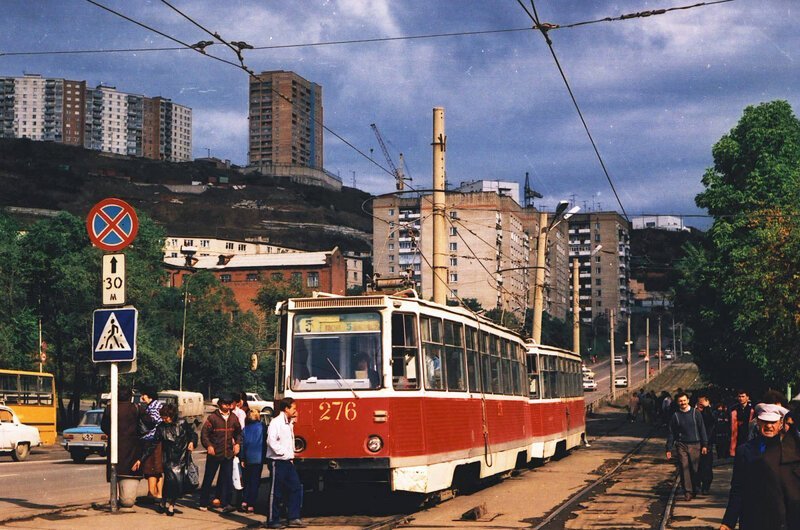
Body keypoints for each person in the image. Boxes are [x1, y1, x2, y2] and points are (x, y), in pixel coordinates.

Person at [720, 404, 800, 530]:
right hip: (751, 518)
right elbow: (737, 488)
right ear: (758, 422)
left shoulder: (791, 453)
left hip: (781, 521)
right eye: (765, 421)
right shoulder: (744, 451)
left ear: (780, 423)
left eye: (773, 422)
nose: (769, 426)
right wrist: (728, 522)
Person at [133, 403, 197, 516]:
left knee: (179, 484)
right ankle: (165, 503)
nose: (164, 419)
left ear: (172, 416)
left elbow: (192, 434)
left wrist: (192, 442)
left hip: (182, 458)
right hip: (169, 459)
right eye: (162, 417)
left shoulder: (182, 423)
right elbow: (152, 445)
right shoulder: (161, 427)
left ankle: (170, 504)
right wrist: (141, 459)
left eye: (166, 417)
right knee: (170, 482)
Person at [265, 398, 305, 529]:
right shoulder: (276, 422)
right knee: (275, 491)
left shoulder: (289, 423)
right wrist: (282, 453)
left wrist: (290, 456)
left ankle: (293, 517)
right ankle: (272, 520)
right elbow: (271, 441)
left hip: (287, 461)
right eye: (293, 408)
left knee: (296, 487)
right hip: (277, 461)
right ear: (286, 409)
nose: (295, 410)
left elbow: (289, 441)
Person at [199, 393, 242, 512]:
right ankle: (203, 502)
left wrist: (238, 443)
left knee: (227, 479)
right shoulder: (212, 418)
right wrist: (209, 446)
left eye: (229, 404)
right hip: (214, 453)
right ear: (220, 404)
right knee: (209, 478)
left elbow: (239, 433)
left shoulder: (234, 418)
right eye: (225, 404)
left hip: (228, 453)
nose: (227, 406)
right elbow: (204, 434)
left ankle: (225, 503)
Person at [100, 386, 142, 508]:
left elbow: (104, 426)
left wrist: (113, 434)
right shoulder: (136, 408)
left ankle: (114, 497)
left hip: (115, 446)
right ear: (131, 397)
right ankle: (125, 497)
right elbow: (147, 423)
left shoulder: (110, 409)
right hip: (132, 446)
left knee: (115, 470)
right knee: (128, 473)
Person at [666, 392, 708, 501]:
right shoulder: (675, 416)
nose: (682, 403)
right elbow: (671, 433)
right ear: (677, 402)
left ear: (688, 400)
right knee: (684, 467)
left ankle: (695, 487)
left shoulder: (696, 413)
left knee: (695, 468)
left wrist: (705, 444)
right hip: (681, 444)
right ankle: (687, 491)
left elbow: (702, 429)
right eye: (680, 401)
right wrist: (669, 448)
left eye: (684, 400)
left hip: (695, 444)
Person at [139, 387, 164, 505]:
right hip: (156, 439)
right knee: (157, 469)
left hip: (152, 439)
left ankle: (152, 493)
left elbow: (153, 420)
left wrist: (141, 417)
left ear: (149, 396)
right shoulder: (157, 405)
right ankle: (158, 493)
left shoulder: (154, 407)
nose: (142, 397)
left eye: (143, 395)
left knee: (151, 468)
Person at [241, 408, 265, 514]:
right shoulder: (262, 427)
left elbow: (242, 445)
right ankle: (251, 504)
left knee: (246, 481)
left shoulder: (245, 429)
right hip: (258, 457)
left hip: (247, 457)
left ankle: (244, 501)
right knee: (255, 482)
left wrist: (242, 458)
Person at [696, 394, 716, 494]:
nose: (701, 405)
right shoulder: (694, 412)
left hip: (708, 442)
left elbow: (712, 420)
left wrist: (707, 408)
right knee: (697, 465)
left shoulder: (710, 412)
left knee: (707, 466)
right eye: (699, 402)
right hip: (695, 442)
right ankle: (697, 484)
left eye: (702, 402)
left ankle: (706, 486)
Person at [729, 389, 754, 457]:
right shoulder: (734, 409)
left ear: (747, 397)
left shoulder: (752, 409)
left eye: (743, 396)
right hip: (738, 435)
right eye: (739, 397)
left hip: (748, 435)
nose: (741, 398)